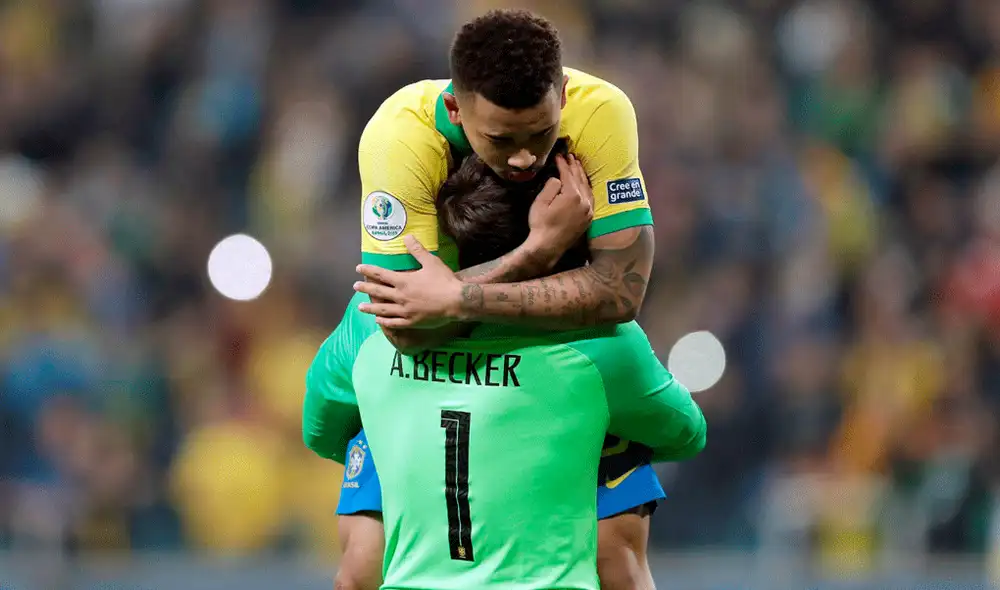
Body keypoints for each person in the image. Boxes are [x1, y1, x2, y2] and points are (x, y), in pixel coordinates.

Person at [343, 9, 661, 588]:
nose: (522, 158)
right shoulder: (399, 138)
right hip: (421, 373)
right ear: (457, 109)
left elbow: (623, 291)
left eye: (540, 134)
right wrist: (535, 253)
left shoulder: (602, 110)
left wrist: (459, 298)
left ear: (563, 93)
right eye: (500, 139)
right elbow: (406, 329)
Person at [304, 153, 706, 590]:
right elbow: (685, 432)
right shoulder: (598, 341)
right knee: (612, 440)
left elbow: (319, 428)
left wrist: (415, 435)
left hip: (409, 570)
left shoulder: (371, 320)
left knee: (372, 447)